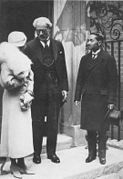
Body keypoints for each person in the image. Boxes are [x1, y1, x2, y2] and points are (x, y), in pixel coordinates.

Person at [24, 17, 68, 164]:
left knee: (53, 122)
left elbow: (63, 69)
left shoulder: (58, 45)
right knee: (37, 123)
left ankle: (52, 153)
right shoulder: (29, 47)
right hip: (38, 91)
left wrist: (64, 89)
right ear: (36, 31)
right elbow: (26, 71)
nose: (41, 33)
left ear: (50, 29)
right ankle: (36, 153)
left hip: (54, 90)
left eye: (44, 30)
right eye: (38, 31)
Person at [74, 32, 117, 165]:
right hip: (88, 98)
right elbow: (80, 79)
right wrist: (77, 97)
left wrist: (111, 101)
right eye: (87, 40)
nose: (88, 43)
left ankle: (102, 155)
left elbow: (113, 82)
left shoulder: (107, 58)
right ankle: (91, 154)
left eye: (91, 40)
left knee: (102, 129)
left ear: (99, 43)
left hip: (102, 99)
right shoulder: (84, 59)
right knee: (90, 128)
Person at [0, 39, 34, 178]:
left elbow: (31, 76)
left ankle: (21, 162)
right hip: (13, 100)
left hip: (23, 98)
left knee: (23, 132)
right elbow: (6, 83)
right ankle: (13, 163)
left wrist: (29, 91)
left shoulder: (23, 60)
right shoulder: (7, 61)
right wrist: (21, 82)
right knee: (14, 132)